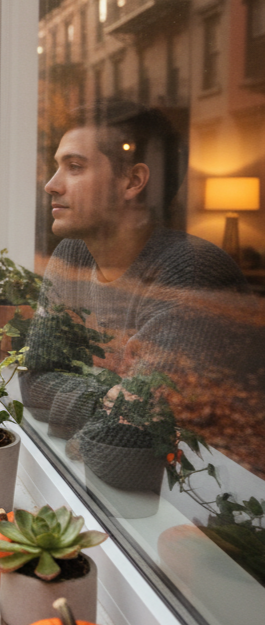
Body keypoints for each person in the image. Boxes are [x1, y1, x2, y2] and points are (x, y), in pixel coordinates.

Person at [21, 108, 253, 443]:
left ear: (132, 181)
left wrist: (79, 408)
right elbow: (34, 384)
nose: (51, 185)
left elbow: (132, 433)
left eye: (74, 167)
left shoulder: (189, 272)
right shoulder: (72, 255)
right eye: (58, 166)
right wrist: (109, 397)